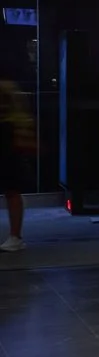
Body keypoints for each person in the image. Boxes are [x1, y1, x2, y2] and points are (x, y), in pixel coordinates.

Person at [0, 78, 31, 251]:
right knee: (12, 190)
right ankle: (15, 236)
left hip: (7, 138)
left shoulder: (5, 87)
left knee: (12, 189)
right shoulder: (9, 85)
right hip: (9, 137)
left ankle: (15, 236)